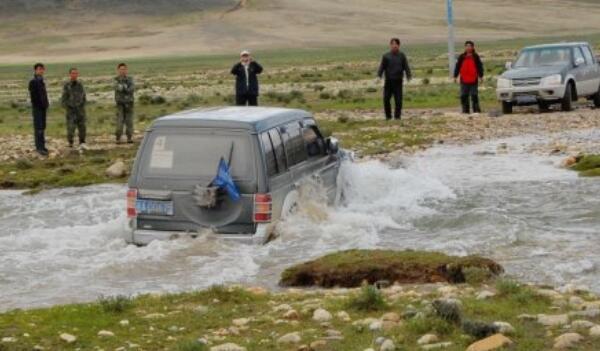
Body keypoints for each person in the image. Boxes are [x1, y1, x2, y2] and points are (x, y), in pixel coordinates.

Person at [377, 38, 412, 120]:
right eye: (392, 44)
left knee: (398, 101)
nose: (394, 46)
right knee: (386, 100)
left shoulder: (402, 56)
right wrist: (379, 76)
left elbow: (406, 66)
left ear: (398, 45)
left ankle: (397, 117)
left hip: (398, 81)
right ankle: (388, 117)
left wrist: (408, 75)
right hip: (388, 82)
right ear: (390, 45)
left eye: (396, 44)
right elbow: (382, 67)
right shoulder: (386, 56)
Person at [454, 40, 484, 114]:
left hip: (474, 79)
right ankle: (465, 110)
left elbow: (479, 66)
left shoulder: (475, 56)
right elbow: (457, 66)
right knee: (464, 95)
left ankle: (476, 110)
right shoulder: (461, 56)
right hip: (464, 79)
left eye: (470, 46)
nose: (468, 47)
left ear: (473, 47)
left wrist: (481, 76)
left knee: (474, 95)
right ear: (465, 47)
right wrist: (455, 76)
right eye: (467, 46)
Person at [61, 68, 87, 149]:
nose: (74, 75)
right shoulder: (67, 85)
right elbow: (63, 99)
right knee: (71, 128)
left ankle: (82, 141)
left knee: (82, 127)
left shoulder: (80, 85)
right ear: (70, 74)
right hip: (71, 110)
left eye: (76, 73)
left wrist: (82, 105)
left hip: (80, 110)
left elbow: (84, 96)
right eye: (73, 73)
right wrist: (68, 107)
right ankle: (70, 142)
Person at [28, 63, 49, 156]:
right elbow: (34, 97)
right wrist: (40, 105)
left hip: (43, 107)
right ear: (35, 70)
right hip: (37, 108)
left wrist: (46, 104)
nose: (41, 71)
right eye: (39, 69)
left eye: (42, 69)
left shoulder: (41, 81)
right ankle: (39, 148)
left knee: (42, 127)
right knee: (38, 128)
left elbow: (44, 95)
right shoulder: (33, 82)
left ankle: (42, 146)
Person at [114, 63, 135, 144]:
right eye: (121, 69)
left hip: (129, 104)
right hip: (120, 104)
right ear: (118, 70)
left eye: (124, 69)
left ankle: (129, 137)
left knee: (129, 122)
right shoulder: (116, 79)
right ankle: (118, 138)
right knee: (120, 121)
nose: (123, 71)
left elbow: (132, 89)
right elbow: (118, 88)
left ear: (126, 70)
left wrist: (124, 88)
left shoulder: (130, 79)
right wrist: (126, 88)